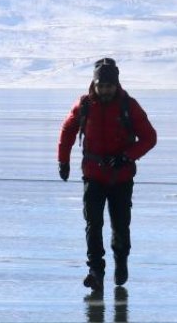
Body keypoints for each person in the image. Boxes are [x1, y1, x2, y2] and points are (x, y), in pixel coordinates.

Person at [58, 58, 157, 291]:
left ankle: (121, 260)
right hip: (93, 176)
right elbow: (67, 130)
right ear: (94, 83)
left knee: (120, 225)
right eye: (101, 85)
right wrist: (63, 161)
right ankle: (96, 270)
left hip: (120, 178)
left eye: (109, 86)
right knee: (93, 223)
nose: (105, 90)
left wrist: (127, 156)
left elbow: (150, 137)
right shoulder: (84, 105)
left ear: (116, 84)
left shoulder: (128, 106)